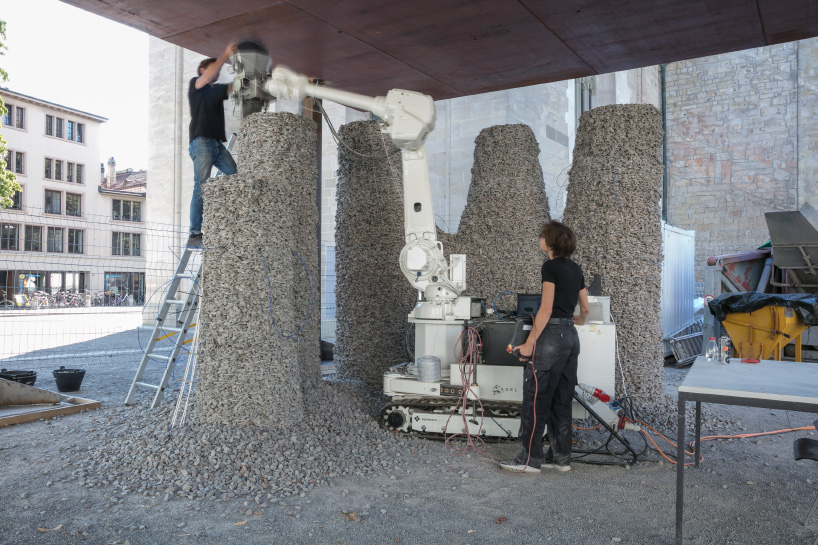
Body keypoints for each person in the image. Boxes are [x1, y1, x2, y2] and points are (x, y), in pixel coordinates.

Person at [501, 220, 590, 473]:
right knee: (562, 398)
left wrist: (530, 342)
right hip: (571, 338)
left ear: (550, 242)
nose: (539, 239)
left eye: (541, 236)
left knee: (536, 398)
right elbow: (585, 309)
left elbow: (546, 308)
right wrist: (576, 322)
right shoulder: (576, 268)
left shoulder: (550, 267)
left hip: (551, 338)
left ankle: (529, 460)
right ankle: (561, 458)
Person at [187, 40, 239, 248]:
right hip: (201, 143)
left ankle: (229, 219)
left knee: (235, 179)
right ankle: (194, 234)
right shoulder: (196, 85)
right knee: (201, 186)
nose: (217, 73)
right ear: (202, 70)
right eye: (212, 69)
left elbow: (233, 87)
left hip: (217, 145)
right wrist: (225, 53)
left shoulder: (216, 91)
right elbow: (207, 77)